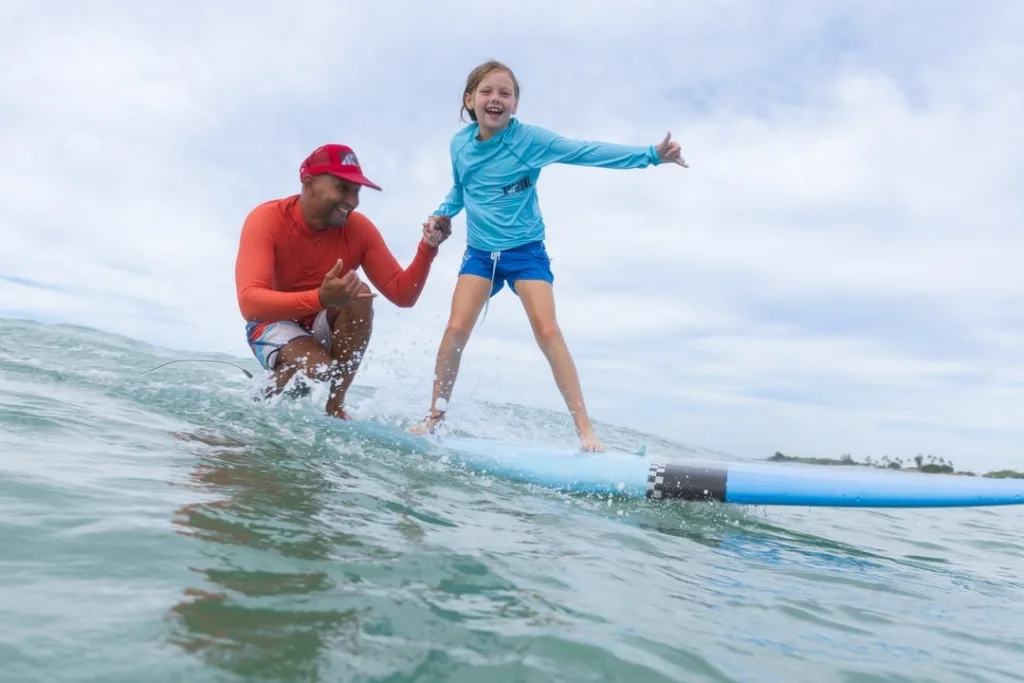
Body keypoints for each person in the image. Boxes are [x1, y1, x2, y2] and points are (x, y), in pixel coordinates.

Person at [409, 60, 687, 452]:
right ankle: (434, 418)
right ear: (470, 100)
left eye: (505, 93)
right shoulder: (459, 145)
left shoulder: (531, 141)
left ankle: (585, 431)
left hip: (526, 252)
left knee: (548, 331)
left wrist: (650, 155)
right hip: (480, 253)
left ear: (516, 105)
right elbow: (460, 190)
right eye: (487, 91)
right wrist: (441, 214)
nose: (496, 99)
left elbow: (584, 151)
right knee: (455, 329)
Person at [234, 143, 451, 419]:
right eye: (342, 188)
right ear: (309, 184)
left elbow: (403, 295)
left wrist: (428, 247)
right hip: (272, 322)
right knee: (318, 368)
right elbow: (250, 304)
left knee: (358, 294)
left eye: (356, 192)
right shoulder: (267, 219)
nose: (351, 201)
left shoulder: (359, 229)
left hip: (320, 320)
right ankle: (255, 409)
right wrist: (319, 299)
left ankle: (335, 406)